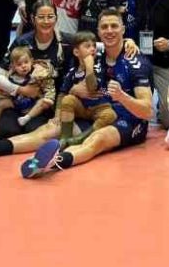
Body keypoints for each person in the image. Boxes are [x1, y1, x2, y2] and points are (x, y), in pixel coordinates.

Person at [18, 9, 155, 178]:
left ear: (123, 29)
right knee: (50, 129)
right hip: (97, 113)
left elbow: (148, 111)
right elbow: (78, 47)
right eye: (104, 27)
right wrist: (74, 89)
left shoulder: (136, 63)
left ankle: (52, 162)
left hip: (128, 120)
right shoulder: (96, 52)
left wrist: (122, 97)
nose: (109, 31)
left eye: (114, 26)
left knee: (98, 139)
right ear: (98, 32)